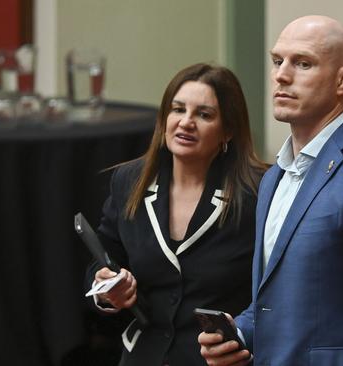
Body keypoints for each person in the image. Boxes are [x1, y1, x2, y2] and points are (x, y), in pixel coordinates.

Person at [198, 15, 343, 365]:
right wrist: (240, 332)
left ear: (342, 79)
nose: (282, 75)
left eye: (302, 63)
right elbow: (280, 302)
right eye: (277, 61)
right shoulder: (275, 175)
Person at [86, 63, 267, 366]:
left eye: (204, 115)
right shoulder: (129, 181)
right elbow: (102, 260)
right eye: (178, 109)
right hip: (143, 357)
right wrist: (106, 288)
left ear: (228, 130)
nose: (186, 122)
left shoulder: (258, 193)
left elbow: (278, 292)